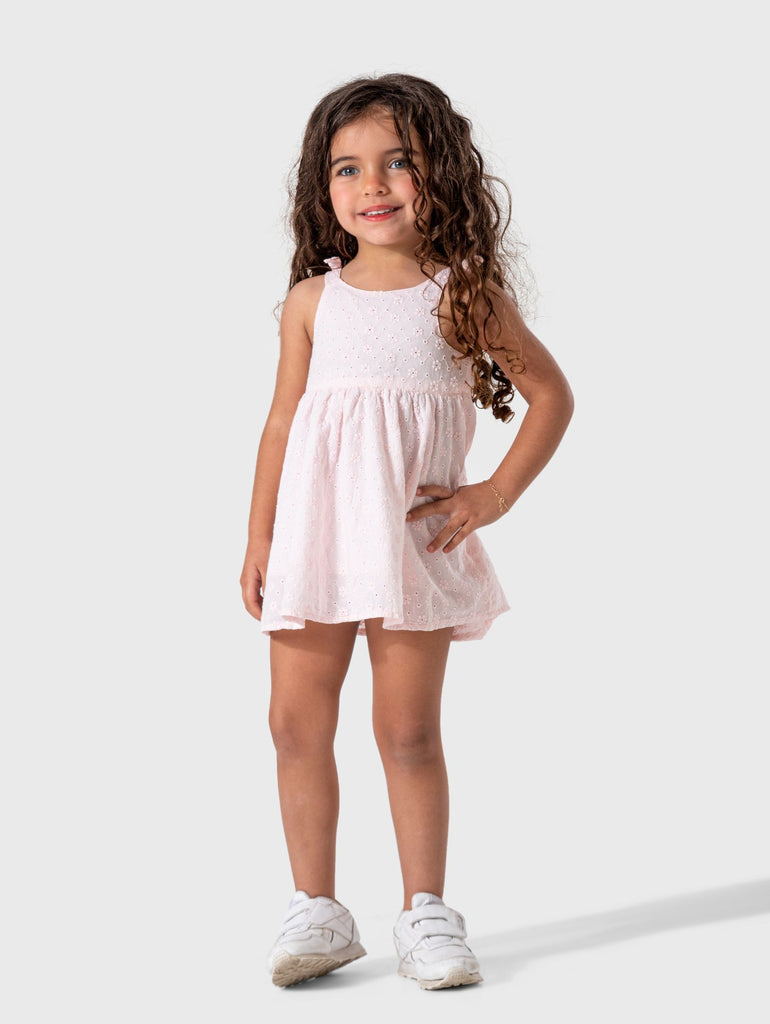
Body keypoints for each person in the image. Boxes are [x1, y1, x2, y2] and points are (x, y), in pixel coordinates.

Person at [240, 72, 574, 990]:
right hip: (313, 541)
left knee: (408, 731)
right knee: (293, 724)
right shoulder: (313, 302)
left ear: (443, 176)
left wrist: (492, 495)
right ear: (324, 190)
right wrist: (260, 538)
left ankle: (426, 911)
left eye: (399, 162)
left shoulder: (463, 294)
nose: (373, 185)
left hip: (409, 548)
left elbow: (551, 396)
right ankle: (317, 909)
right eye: (347, 168)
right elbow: (281, 424)